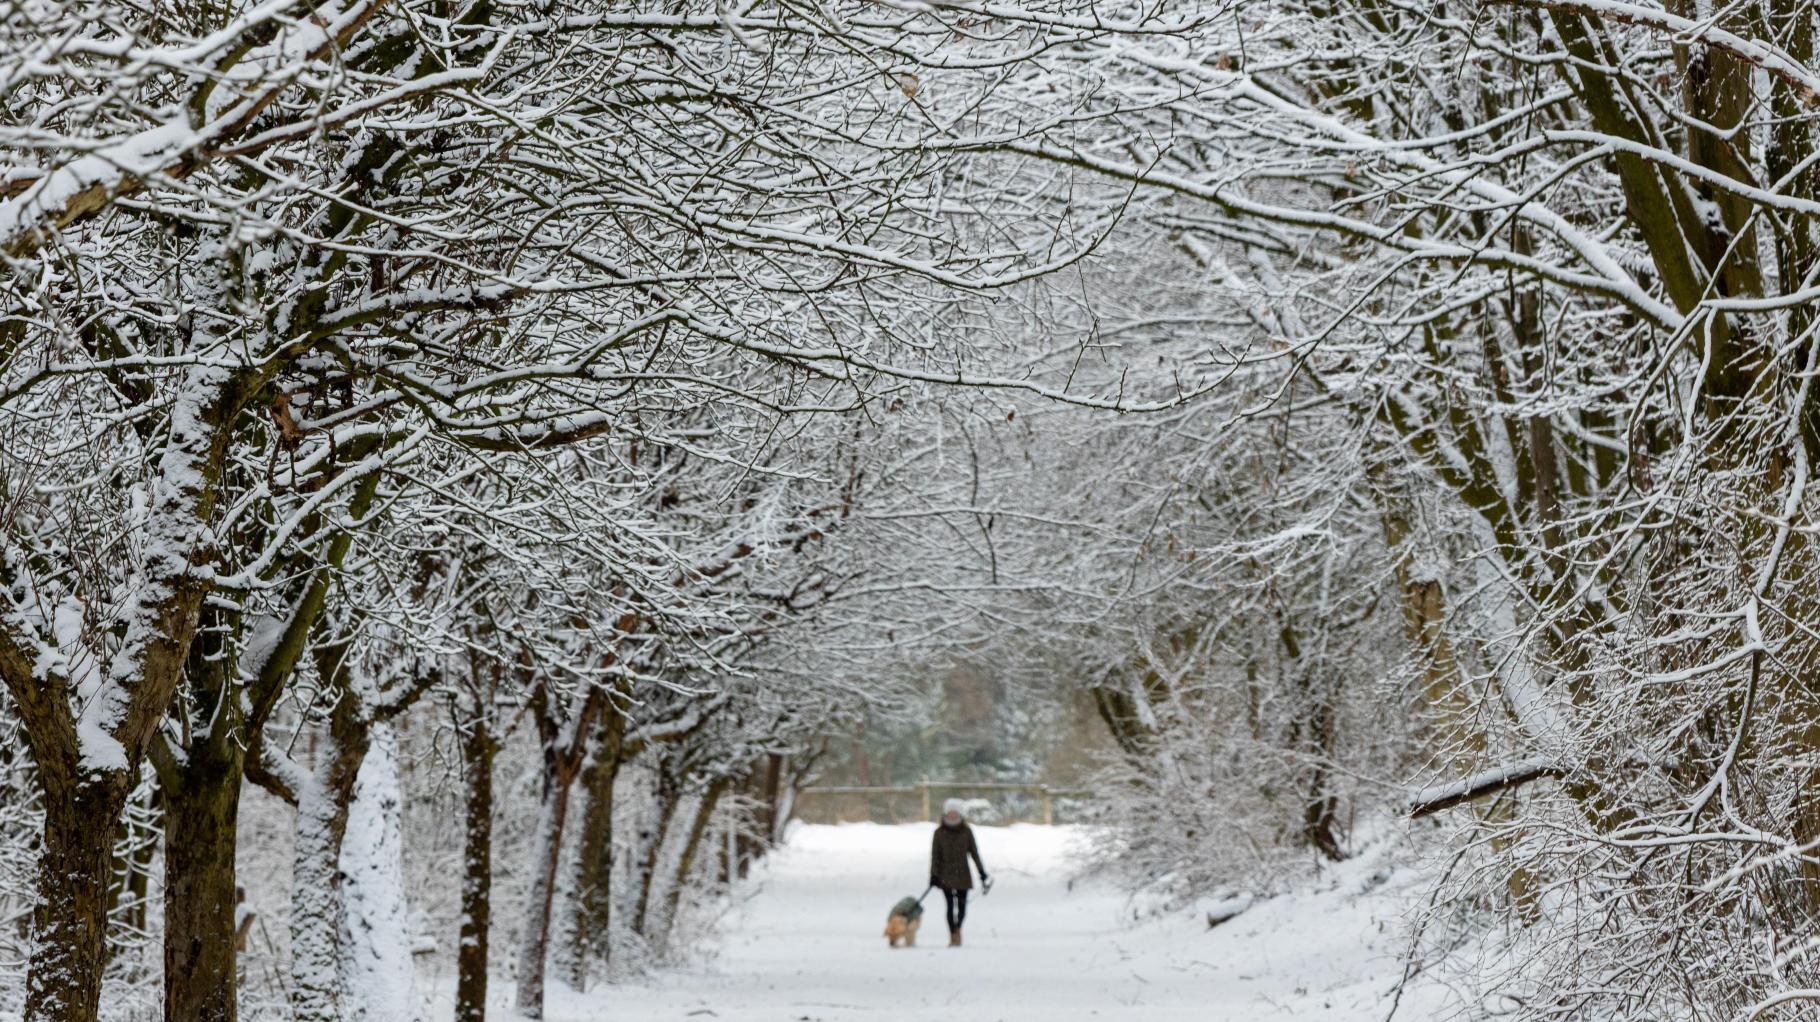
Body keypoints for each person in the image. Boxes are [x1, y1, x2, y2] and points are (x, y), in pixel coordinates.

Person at [930, 798, 988, 947]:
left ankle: (958, 929)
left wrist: (981, 872)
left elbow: (974, 853)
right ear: (945, 814)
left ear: (960, 814)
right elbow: (935, 856)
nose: (952, 816)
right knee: (950, 906)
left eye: (955, 813)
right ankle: (952, 934)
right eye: (950, 813)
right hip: (945, 875)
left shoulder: (967, 832)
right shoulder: (939, 833)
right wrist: (934, 875)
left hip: (963, 874)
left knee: (962, 906)